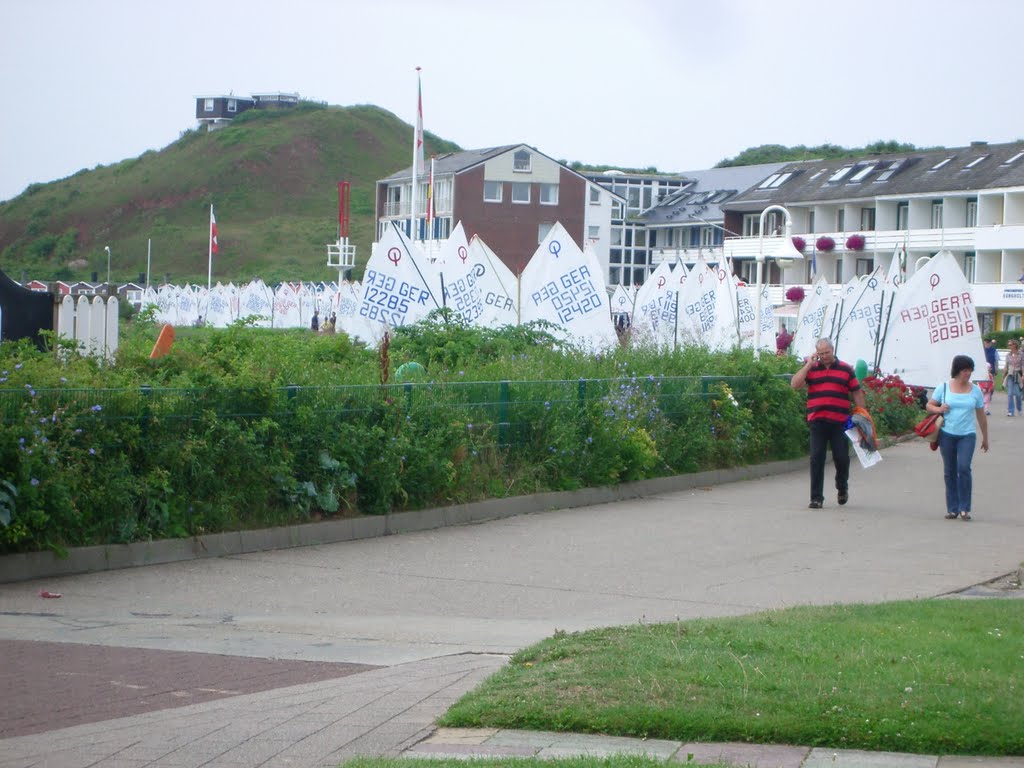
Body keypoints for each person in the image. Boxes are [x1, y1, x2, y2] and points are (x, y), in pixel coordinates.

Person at [790, 337, 867, 509]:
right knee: (816, 458)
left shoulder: (846, 369)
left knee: (842, 458)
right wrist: (808, 364)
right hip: (818, 421)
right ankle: (816, 497)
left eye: (827, 352)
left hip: (839, 421)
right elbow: (794, 384)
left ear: (833, 350)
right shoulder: (812, 369)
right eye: (820, 353)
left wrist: (862, 415)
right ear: (816, 353)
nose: (824, 356)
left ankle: (842, 487)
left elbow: (856, 392)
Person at [927, 355, 988, 521]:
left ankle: (964, 508)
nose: (968, 373)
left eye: (970, 370)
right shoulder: (944, 387)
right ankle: (952, 508)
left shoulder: (975, 391)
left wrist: (985, 437)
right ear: (957, 370)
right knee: (950, 471)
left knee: (963, 467)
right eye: (965, 370)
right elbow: (929, 405)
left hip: (967, 435)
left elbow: (981, 416)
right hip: (947, 434)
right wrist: (939, 409)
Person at [1002, 339, 1023, 416]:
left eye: (1010, 345)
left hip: (1018, 375)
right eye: (1009, 345)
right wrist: (1003, 376)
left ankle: (1019, 408)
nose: (1009, 346)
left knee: (1017, 394)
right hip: (1010, 375)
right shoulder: (1008, 355)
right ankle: (1010, 411)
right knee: (1010, 393)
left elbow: (1023, 365)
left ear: (1015, 345)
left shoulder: (1021, 354)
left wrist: (1023, 375)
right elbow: (1006, 366)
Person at [982, 338, 998, 414]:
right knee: (982, 383)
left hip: (991, 369)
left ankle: (989, 394)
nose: (986, 345)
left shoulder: (994, 350)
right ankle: (984, 395)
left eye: (987, 343)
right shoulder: (982, 350)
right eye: (985, 343)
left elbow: (996, 360)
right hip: (983, 370)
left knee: (991, 383)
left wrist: (996, 368)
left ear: (990, 344)